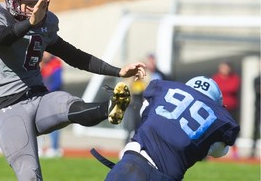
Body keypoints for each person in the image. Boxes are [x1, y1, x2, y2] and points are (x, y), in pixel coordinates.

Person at [0, 0, 146, 181]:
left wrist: (118, 71)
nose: (35, 10)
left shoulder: (46, 22)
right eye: (29, 3)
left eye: (40, 3)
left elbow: (73, 55)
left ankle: (110, 108)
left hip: (38, 96)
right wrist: (29, 23)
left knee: (69, 104)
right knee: (29, 174)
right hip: (7, 107)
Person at [102, 76, 240, 181]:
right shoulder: (215, 116)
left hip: (130, 160)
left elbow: (144, 112)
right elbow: (219, 151)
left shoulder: (166, 90)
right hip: (162, 175)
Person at [212, 61, 241, 158]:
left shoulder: (234, 78)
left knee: (232, 129)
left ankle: (235, 151)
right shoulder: (216, 78)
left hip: (232, 108)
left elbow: (232, 88)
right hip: (220, 108)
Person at [39, 52, 63, 157]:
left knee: (55, 123)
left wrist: (46, 90)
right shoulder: (38, 62)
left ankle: (54, 148)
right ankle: (39, 147)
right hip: (41, 98)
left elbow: (57, 82)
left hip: (53, 97)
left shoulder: (56, 63)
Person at [251, 75, 260, 158]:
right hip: (258, 108)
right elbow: (257, 90)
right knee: (255, 129)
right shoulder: (257, 79)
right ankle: (252, 150)